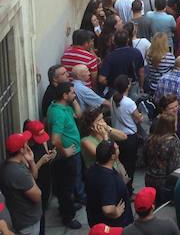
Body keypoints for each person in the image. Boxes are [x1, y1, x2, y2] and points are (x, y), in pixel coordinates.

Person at [47, 81, 84, 230]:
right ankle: (68, 216)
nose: (75, 95)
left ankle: (68, 205)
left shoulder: (64, 107)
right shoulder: (58, 113)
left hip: (72, 155)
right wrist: (65, 151)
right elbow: (55, 140)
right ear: (64, 95)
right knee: (66, 188)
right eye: (72, 93)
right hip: (65, 158)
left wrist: (73, 100)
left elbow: (79, 115)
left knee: (69, 185)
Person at [0, 131, 50, 235]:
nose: (28, 145)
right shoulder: (17, 172)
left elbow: (34, 176)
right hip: (28, 223)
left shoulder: (15, 163)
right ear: (21, 149)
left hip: (28, 218)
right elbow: (37, 195)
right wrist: (29, 176)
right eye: (25, 143)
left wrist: (31, 161)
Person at [85, 140, 133, 228]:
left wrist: (116, 159)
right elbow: (108, 209)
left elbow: (124, 177)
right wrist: (116, 212)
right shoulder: (108, 179)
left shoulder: (93, 168)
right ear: (112, 156)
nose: (118, 147)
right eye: (117, 148)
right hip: (112, 225)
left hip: (96, 219)